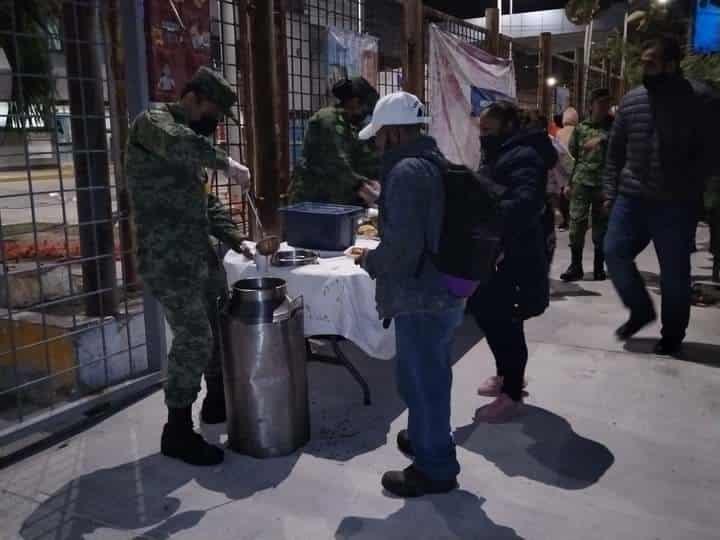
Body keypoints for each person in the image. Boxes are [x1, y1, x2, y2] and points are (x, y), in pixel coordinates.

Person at [126, 67, 251, 466]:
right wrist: (227, 163)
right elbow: (181, 144)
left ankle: (216, 402)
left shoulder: (193, 141)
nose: (214, 123)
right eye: (213, 112)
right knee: (194, 335)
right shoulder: (154, 124)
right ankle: (176, 430)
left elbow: (204, 202)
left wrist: (236, 239)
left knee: (218, 321)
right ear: (194, 98)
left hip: (199, 251)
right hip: (168, 257)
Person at [352, 92, 464, 497]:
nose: (377, 143)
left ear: (395, 132)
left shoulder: (406, 172)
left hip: (422, 295)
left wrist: (370, 262)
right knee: (424, 375)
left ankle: (436, 468)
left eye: (380, 135)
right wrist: (384, 202)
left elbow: (402, 249)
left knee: (423, 382)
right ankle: (422, 436)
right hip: (443, 290)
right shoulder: (431, 161)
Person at [602, 36, 713, 356]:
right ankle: (640, 310)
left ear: (671, 64)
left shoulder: (701, 99)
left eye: (650, 63)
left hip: (676, 203)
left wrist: (691, 185)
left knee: (674, 273)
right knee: (613, 251)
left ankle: (673, 333)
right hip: (631, 197)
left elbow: (712, 152)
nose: (644, 68)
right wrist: (610, 193)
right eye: (643, 62)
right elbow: (615, 151)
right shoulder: (632, 100)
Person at [469, 101, 556, 422]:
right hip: (497, 250)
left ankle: (514, 393)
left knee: (506, 322)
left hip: (516, 254)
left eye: (487, 130)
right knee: (487, 314)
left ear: (507, 127)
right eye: (480, 130)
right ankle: (506, 375)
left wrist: (490, 210)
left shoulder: (525, 156)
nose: (482, 136)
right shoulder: (500, 151)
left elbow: (524, 203)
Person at [288, 77, 381, 206]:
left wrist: (372, 181)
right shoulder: (328, 119)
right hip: (311, 200)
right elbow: (336, 161)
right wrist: (363, 187)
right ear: (354, 102)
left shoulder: (351, 126)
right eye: (365, 107)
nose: (365, 113)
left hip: (334, 201)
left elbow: (365, 158)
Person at [561, 88, 614, 282]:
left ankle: (599, 266)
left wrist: (602, 138)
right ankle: (576, 266)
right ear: (591, 105)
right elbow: (574, 157)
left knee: (602, 227)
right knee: (576, 224)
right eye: (601, 104)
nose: (604, 108)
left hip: (604, 184)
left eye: (607, 104)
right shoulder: (581, 129)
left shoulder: (615, 128)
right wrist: (568, 183)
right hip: (582, 182)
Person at [555, 107, 579, 229]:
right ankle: (572, 219)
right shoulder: (578, 131)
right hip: (575, 165)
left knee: (562, 193)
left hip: (562, 166)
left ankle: (565, 220)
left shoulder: (559, 132)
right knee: (573, 194)